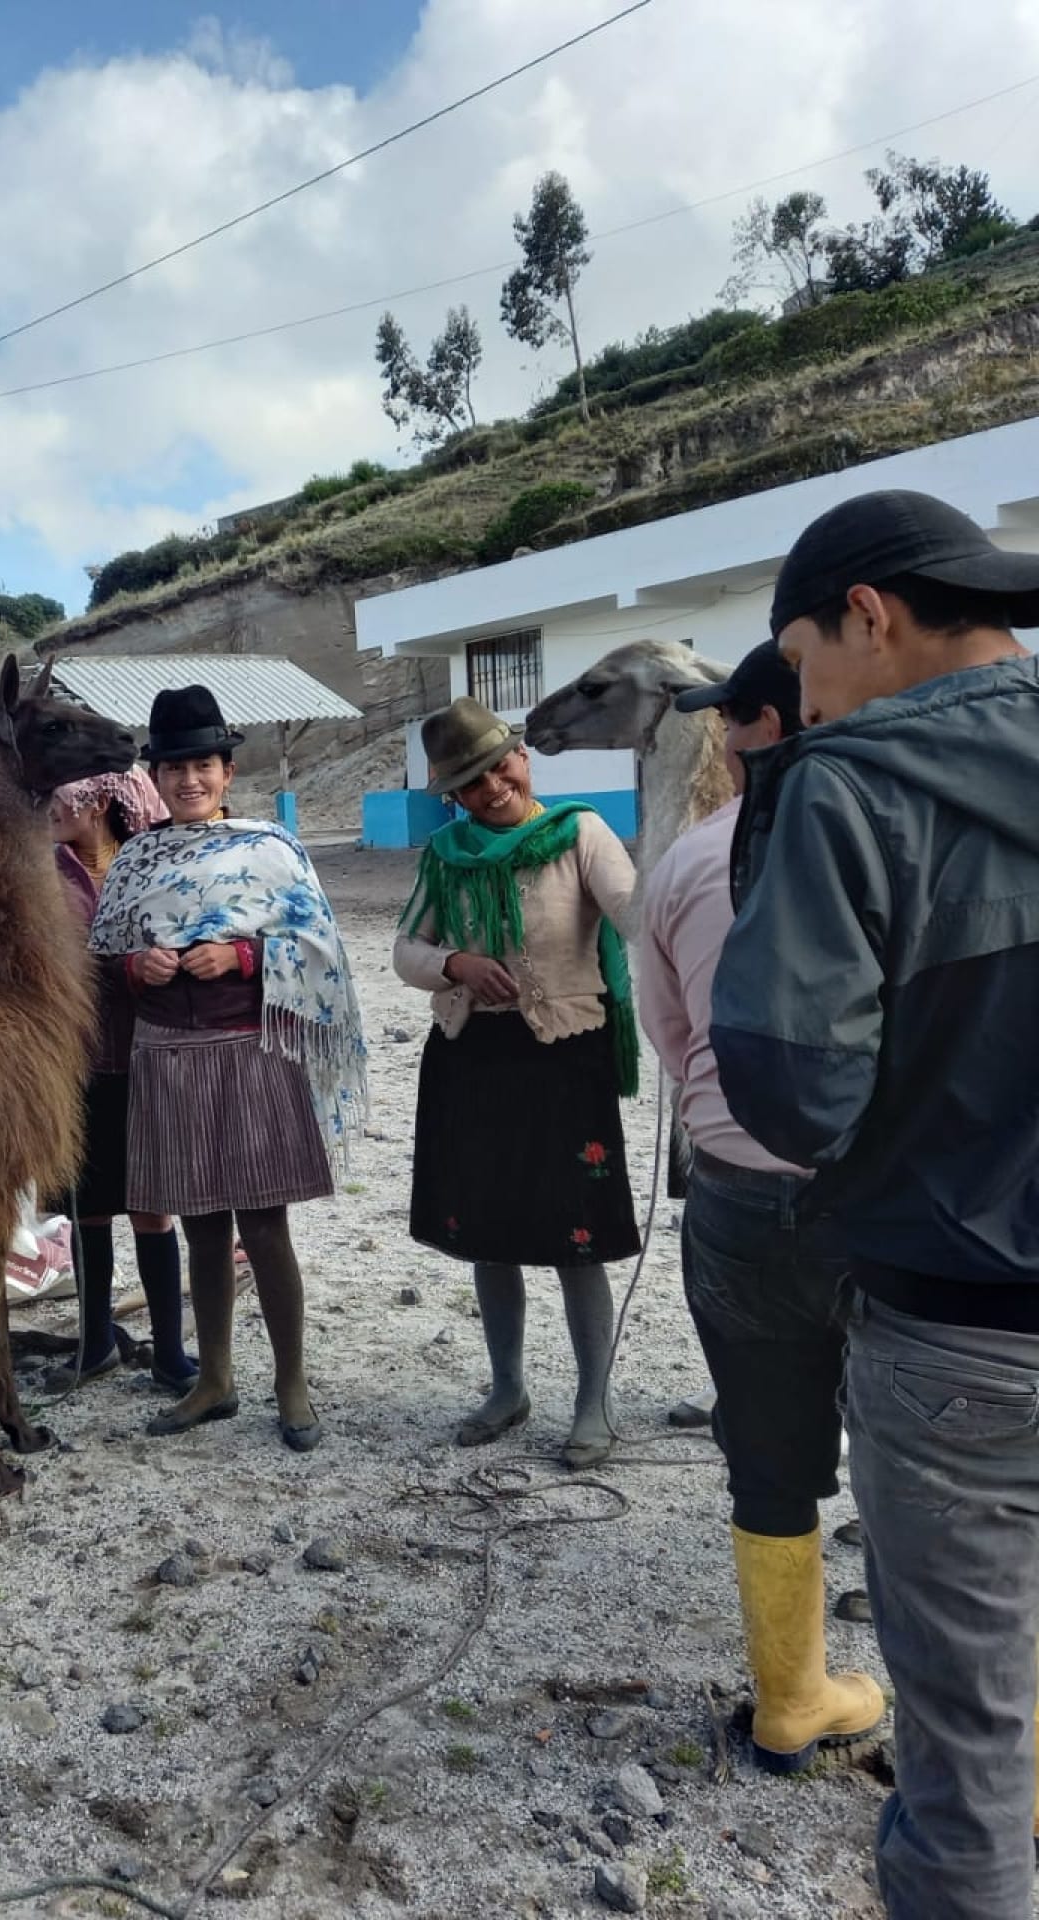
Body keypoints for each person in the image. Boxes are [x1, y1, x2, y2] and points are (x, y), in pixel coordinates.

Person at [711, 491, 1039, 1919]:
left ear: (869, 615)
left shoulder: (850, 788)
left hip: (956, 1331)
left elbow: (793, 1091)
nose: (802, 695)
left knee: (964, 1767)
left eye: (799, 657)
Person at [636, 641, 880, 1773]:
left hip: (734, 1195)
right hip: (888, 1200)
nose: (723, 747)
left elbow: (673, 1039)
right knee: (948, 1464)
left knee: (770, 1453)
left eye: (733, 725)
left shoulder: (685, 862)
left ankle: (789, 1699)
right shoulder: (893, 837)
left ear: (770, 729)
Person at [89, 686, 368, 1453]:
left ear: (227, 769)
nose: (189, 780)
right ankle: (214, 1379)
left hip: (250, 1049)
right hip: (167, 1056)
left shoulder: (271, 850)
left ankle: (292, 1383)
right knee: (201, 1227)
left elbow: (320, 950)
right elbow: (104, 958)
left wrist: (243, 954)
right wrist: (136, 966)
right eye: (174, 766)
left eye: (203, 765)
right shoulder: (136, 859)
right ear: (155, 775)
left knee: (265, 1224)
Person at [394, 697, 639, 1470]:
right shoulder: (445, 854)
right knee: (489, 1233)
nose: (492, 787)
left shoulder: (579, 834)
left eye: (500, 766)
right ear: (452, 795)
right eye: (469, 782)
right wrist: (454, 965)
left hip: (566, 1058)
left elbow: (635, 912)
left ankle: (593, 1401)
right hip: (472, 1058)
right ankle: (507, 1390)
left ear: (524, 756)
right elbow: (407, 949)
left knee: (577, 1235)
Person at [47, 767, 194, 1391]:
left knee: (152, 1207)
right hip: (76, 1060)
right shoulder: (46, 874)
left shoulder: (149, 867)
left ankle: (168, 1350)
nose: (51, 809)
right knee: (87, 1210)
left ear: (101, 801)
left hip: (145, 1051)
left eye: (63, 799)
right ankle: (94, 1341)